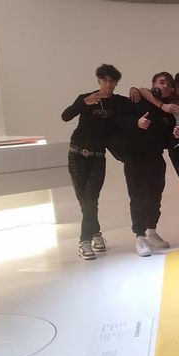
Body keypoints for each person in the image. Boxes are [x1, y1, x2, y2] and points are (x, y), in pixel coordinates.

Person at [111, 71, 179, 256]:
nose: (165, 86)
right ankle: (139, 236)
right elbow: (117, 120)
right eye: (162, 82)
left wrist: (175, 137)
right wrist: (136, 122)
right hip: (135, 158)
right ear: (153, 84)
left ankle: (151, 232)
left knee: (155, 196)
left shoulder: (169, 114)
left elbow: (168, 143)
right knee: (138, 196)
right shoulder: (138, 100)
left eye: (169, 84)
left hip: (156, 159)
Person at [61, 63, 122, 260]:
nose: (108, 84)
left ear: (116, 83)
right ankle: (95, 234)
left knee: (91, 198)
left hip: (98, 157)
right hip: (77, 154)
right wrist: (83, 103)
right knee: (85, 201)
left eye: (112, 81)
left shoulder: (117, 103)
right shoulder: (85, 98)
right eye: (104, 80)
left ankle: (84, 240)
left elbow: (134, 106)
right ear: (98, 80)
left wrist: (136, 90)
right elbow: (65, 116)